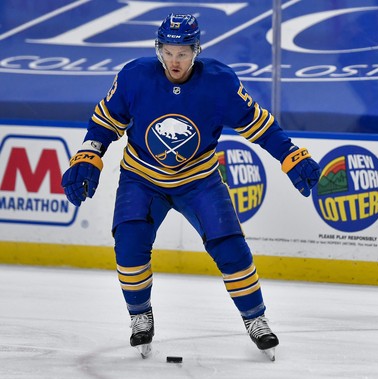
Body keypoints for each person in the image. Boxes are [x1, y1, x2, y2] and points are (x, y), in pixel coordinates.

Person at [60, 13, 321, 361]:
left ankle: (256, 319)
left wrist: (290, 154)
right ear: (158, 48)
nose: (174, 61)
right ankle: (140, 316)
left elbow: (260, 125)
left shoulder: (219, 82)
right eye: (167, 52)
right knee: (129, 245)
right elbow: (104, 122)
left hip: (199, 181)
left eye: (182, 53)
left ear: (196, 50)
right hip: (142, 179)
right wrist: (88, 155)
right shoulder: (134, 76)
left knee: (231, 248)